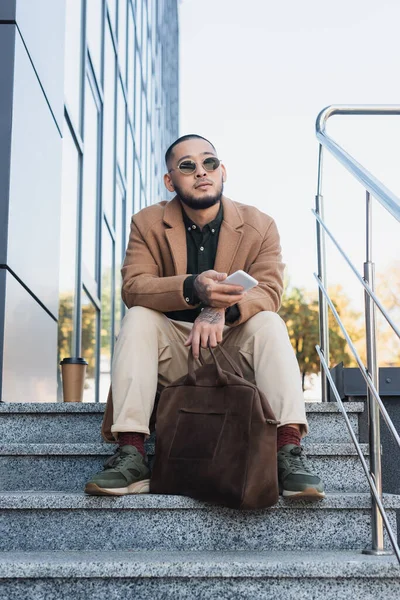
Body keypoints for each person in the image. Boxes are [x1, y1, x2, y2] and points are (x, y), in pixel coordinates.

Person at [85, 134, 325, 501]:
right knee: (137, 317)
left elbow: (270, 290)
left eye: (209, 163)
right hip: (174, 351)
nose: (201, 172)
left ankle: (286, 451)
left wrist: (220, 310)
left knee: (270, 323)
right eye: (187, 166)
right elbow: (134, 286)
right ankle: (131, 454)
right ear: (170, 181)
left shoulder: (260, 225)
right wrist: (193, 287)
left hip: (232, 350)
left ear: (222, 171)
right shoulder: (147, 223)